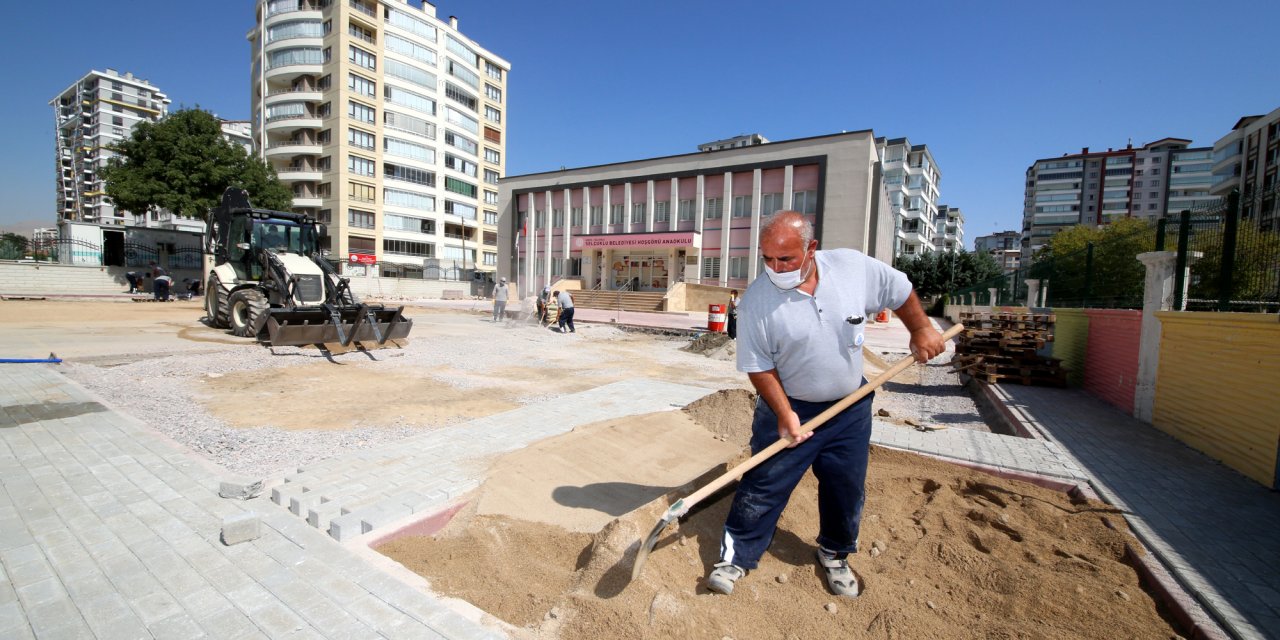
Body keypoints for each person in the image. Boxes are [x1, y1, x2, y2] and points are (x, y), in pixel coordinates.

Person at [705, 211, 944, 598]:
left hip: (850, 406)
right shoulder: (756, 303)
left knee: (845, 486)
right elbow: (759, 367)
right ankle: (736, 557)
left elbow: (899, 290)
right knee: (764, 484)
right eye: (766, 258)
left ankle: (835, 552)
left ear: (811, 248)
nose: (774, 268)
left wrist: (920, 328)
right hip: (788, 405)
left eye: (785, 259)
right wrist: (786, 416)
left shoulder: (851, 268)